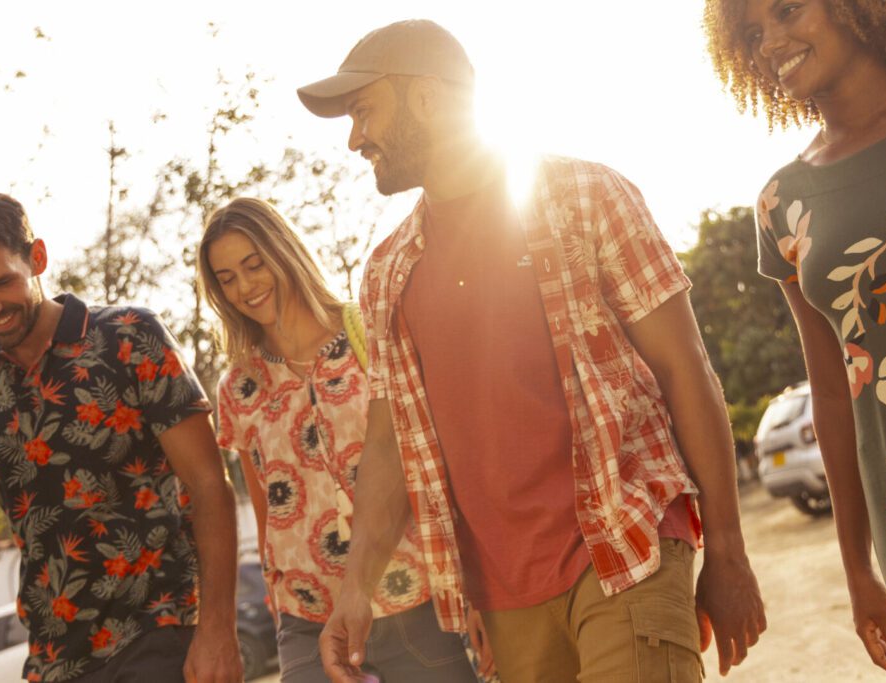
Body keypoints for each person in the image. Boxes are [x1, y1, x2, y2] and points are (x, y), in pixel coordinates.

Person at [297, 19, 767, 683]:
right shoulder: (388, 271)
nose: (354, 139)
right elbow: (389, 441)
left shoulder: (589, 197)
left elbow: (685, 366)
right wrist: (355, 588)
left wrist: (726, 547)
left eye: (363, 111)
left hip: (624, 541)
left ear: (428, 98)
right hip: (503, 595)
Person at [703, 1, 886, 680]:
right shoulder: (783, 203)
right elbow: (831, 390)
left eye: (788, 10)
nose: (771, 42)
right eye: (753, 33)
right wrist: (857, 567)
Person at [0, 190, 243, 683]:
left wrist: (217, 631)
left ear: (37, 258)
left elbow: (209, 485)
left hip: (163, 634)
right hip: (55, 661)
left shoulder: (130, 337)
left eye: (1, 282)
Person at [197, 197, 487, 682]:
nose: (245, 287)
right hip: (307, 623)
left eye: (253, 264)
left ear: (284, 252)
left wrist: (476, 589)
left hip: (414, 601)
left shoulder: (372, 337)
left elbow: (438, 463)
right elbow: (269, 513)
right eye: (227, 279)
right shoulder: (238, 389)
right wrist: (279, 607)